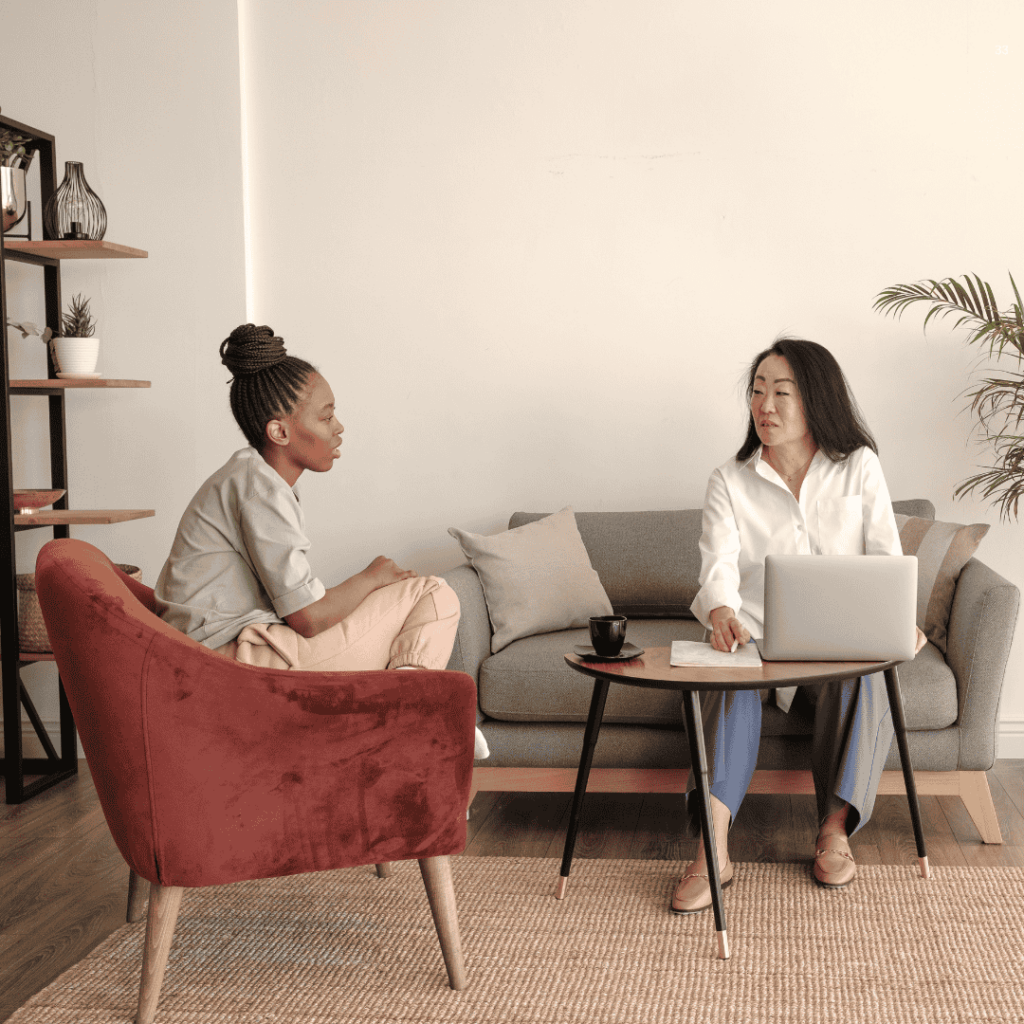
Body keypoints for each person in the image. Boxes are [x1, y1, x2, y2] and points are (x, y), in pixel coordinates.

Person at [672, 336, 925, 915]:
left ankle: (833, 831)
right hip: (757, 643)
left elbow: (887, 561)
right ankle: (713, 845)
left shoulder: (858, 467)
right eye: (757, 391)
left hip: (838, 645)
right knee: (731, 674)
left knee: (866, 674)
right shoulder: (729, 479)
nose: (765, 405)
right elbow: (717, 566)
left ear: (815, 399)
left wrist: (893, 622)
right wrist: (721, 612)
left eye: (781, 392)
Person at [155, 323, 488, 759]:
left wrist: (374, 585)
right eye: (326, 416)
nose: (339, 428)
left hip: (241, 653)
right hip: (237, 665)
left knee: (415, 603)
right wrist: (371, 577)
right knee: (433, 594)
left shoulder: (253, 478)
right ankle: (413, 714)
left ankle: (407, 708)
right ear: (280, 432)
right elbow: (308, 618)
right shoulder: (259, 488)